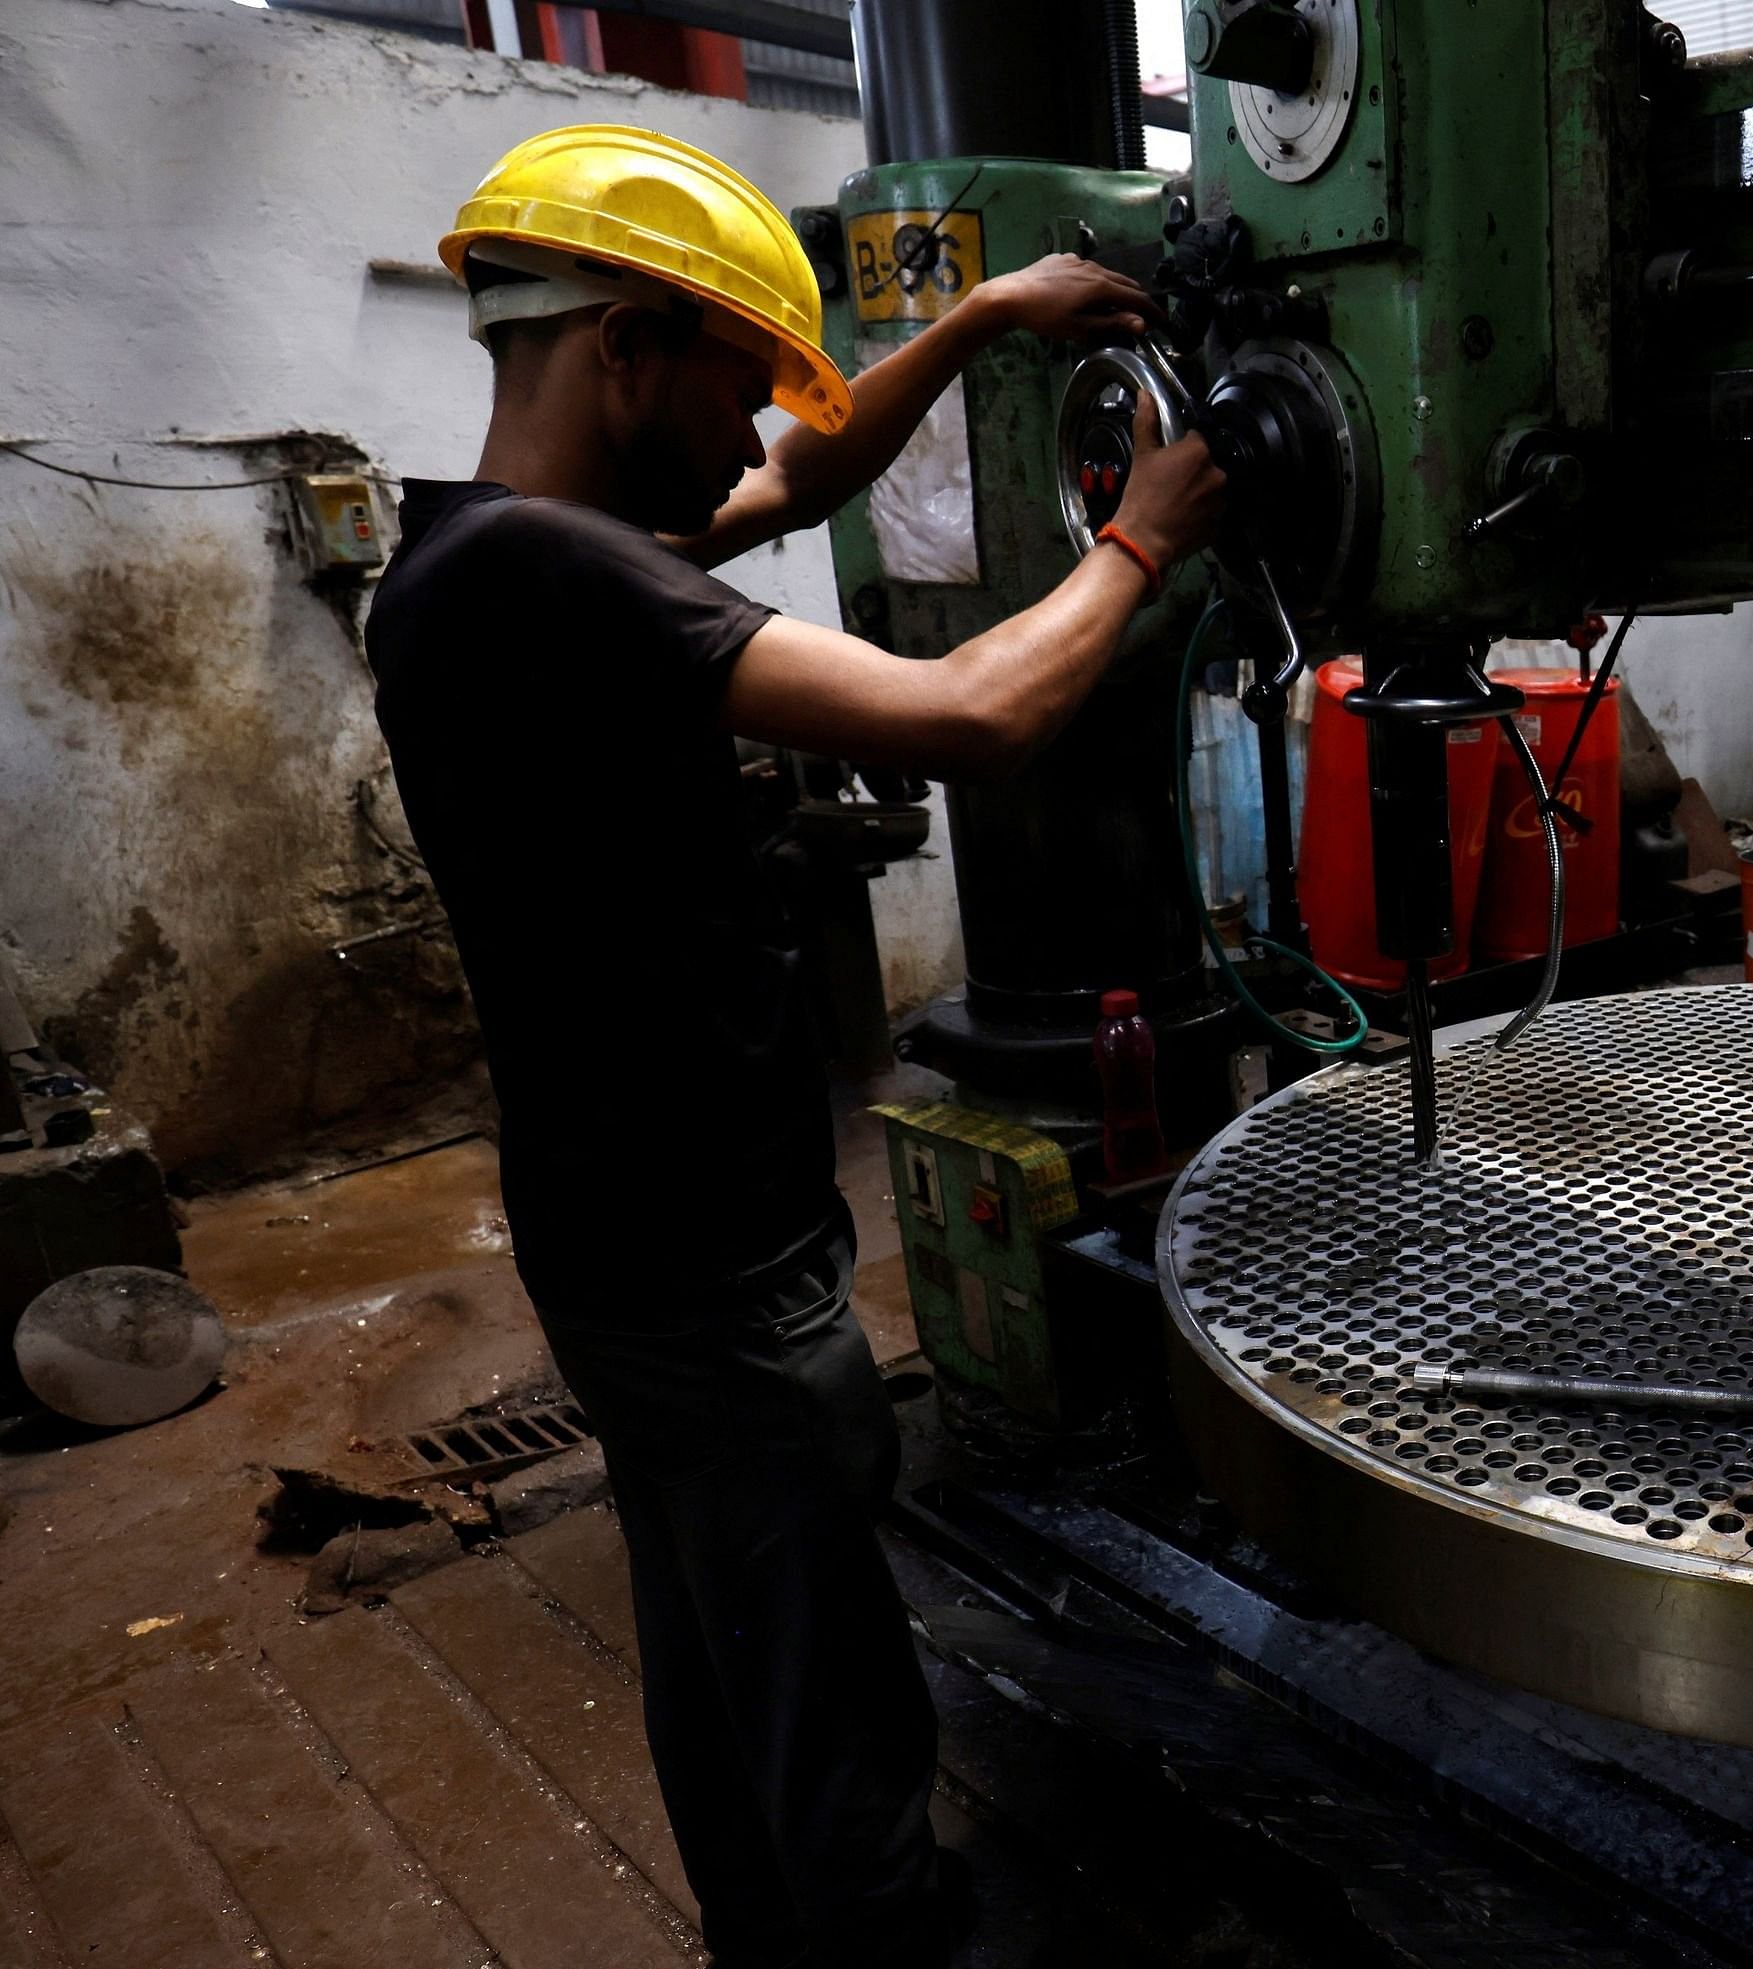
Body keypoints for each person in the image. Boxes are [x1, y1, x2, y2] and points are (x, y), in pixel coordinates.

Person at [365, 125, 1223, 1968]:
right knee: (829, 1681)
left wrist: (984, 312)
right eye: (739, 383)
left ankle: (769, 1928)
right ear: (625, 346)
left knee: (718, 1650)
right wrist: (1149, 533)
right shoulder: (560, 580)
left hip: (609, 1239)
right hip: (716, 1267)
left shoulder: (469, 556)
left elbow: (801, 482)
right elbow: (975, 711)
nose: (760, 436)